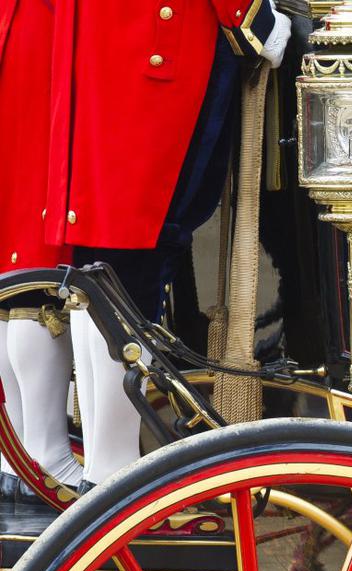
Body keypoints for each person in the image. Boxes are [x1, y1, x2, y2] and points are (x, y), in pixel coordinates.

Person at [46, 0, 291, 493]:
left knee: (104, 260)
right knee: (132, 258)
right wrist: (255, 19)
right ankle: (112, 472)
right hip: (161, 47)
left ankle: (103, 466)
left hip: (105, 47)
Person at [0, 0, 81, 503]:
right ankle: (45, 452)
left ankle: (16, 457)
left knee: (14, 254)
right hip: (48, 30)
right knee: (35, 259)